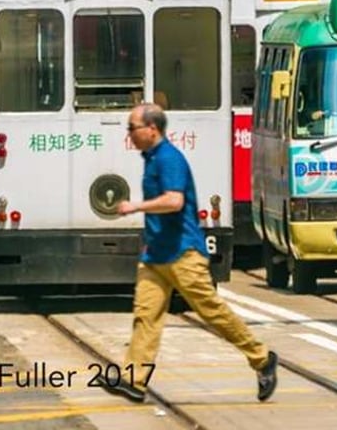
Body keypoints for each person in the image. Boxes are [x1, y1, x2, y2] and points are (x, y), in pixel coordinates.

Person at [98, 103, 278, 404]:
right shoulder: (152, 158)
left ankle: (261, 358)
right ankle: (134, 380)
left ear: (151, 129)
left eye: (132, 127)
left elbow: (174, 201)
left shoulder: (169, 158)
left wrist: (135, 207)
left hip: (183, 253)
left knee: (212, 311)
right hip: (156, 255)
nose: (129, 133)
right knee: (146, 315)